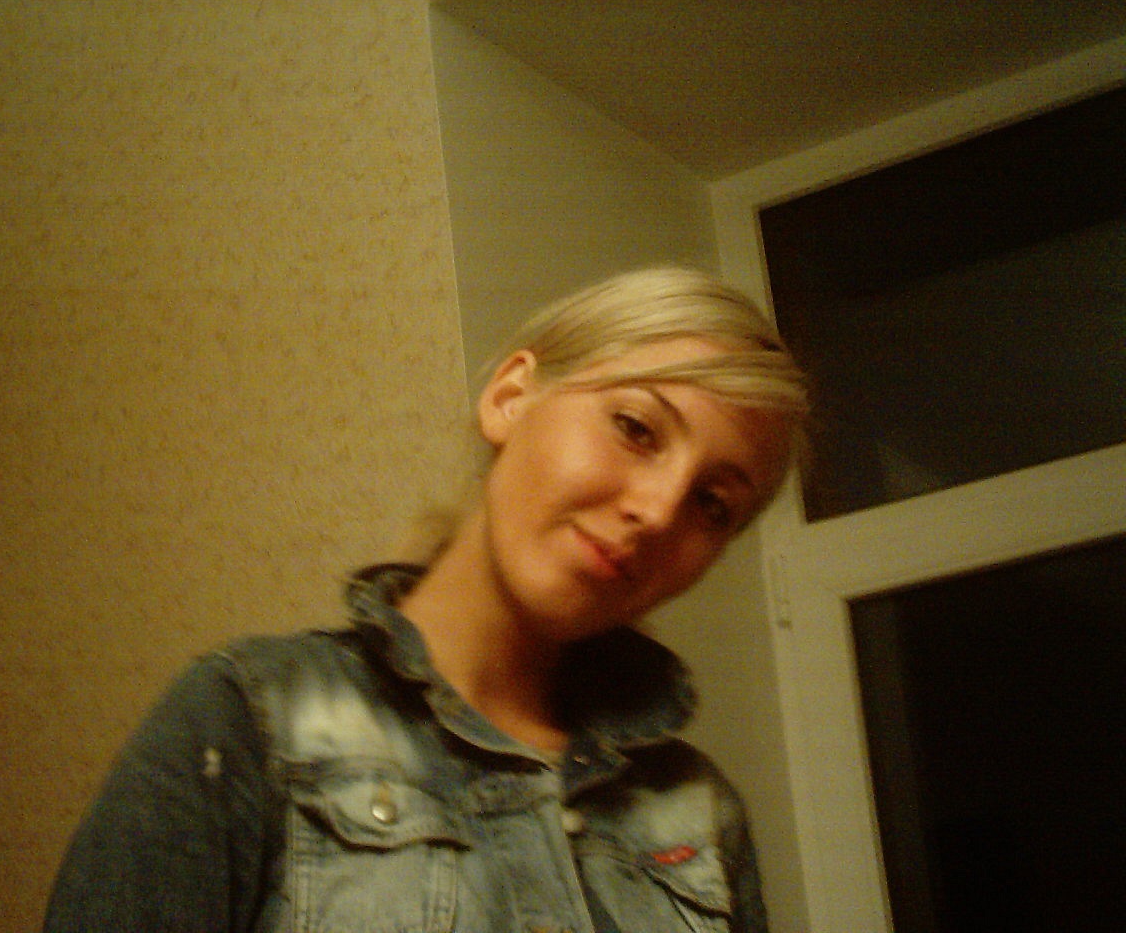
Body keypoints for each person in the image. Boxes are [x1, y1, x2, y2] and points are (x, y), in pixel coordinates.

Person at [43, 265, 810, 933]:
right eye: (636, 428)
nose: (659, 509)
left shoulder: (696, 812)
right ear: (510, 396)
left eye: (713, 504)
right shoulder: (249, 722)